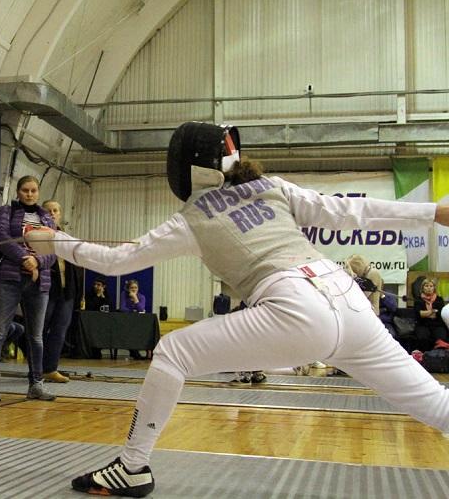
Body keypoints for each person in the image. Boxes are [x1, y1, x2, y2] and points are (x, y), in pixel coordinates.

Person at [26, 121, 449, 497]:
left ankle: (133, 468)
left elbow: (117, 261)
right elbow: (348, 210)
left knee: (173, 352)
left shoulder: (191, 218)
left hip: (294, 310)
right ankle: (131, 468)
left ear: (188, 168)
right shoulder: (272, 186)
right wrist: (434, 211)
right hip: (349, 300)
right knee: (436, 404)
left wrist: (53, 241)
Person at [0, 175, 57, 402]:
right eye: (25, 190)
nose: (30, 194)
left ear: (38, 192)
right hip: (8, 280)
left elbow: (55, 248)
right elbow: (1, 237)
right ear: (18, 191)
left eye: (34, 190)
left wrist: (39, 262)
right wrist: (24, 258)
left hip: (39, 282)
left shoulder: (46, 217)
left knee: (36, 336)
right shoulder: (7, 211)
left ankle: (36, 384)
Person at [41, 200, 83, 383]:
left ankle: (50, 369)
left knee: (59, 331)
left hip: (67, 293)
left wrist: (78, 295)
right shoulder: (37, 235)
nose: (52, 213)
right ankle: (35, 369)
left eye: (55, 210)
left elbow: (75, 268)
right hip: (46, 291)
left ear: (60, 214)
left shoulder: (66, 237)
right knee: (39, 331)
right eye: (48, 210)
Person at [413, 278, 447, 350]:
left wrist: (426, 313)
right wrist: (432, 311)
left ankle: (438, 357)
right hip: (423, 324)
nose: (429, 288)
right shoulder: (418, 299)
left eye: (431, 286)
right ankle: (425, 356)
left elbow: (440, 314)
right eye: (426, 286)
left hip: (437, 324)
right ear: (422, 288)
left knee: (441, 336)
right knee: (423, 337)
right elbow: (419, 314)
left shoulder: (439, 299)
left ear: (434, 288)